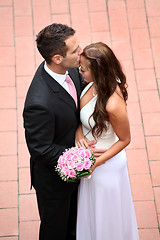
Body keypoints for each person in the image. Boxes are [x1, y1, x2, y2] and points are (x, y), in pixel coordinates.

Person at [23, 23, 84, 240]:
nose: (81, 52)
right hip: (55, 185)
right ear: (57, 58)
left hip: (76, 176)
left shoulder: (73, 68)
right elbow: (40, 150)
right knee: (56, 231)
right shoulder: (39, 103)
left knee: (77, 225)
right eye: (75, 50)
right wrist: (81, 157)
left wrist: (79, 128)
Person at [76, 42, 139, 240]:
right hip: (91, 163)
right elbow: (84, 117)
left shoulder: (112, 103)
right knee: (93, 214)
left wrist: (96, 163)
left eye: (83, 69)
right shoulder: (91, 84)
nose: (79, 71)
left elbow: (125, 139)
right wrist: (79, 133)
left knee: (107, 219)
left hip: (106, 166)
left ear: (98, 71)